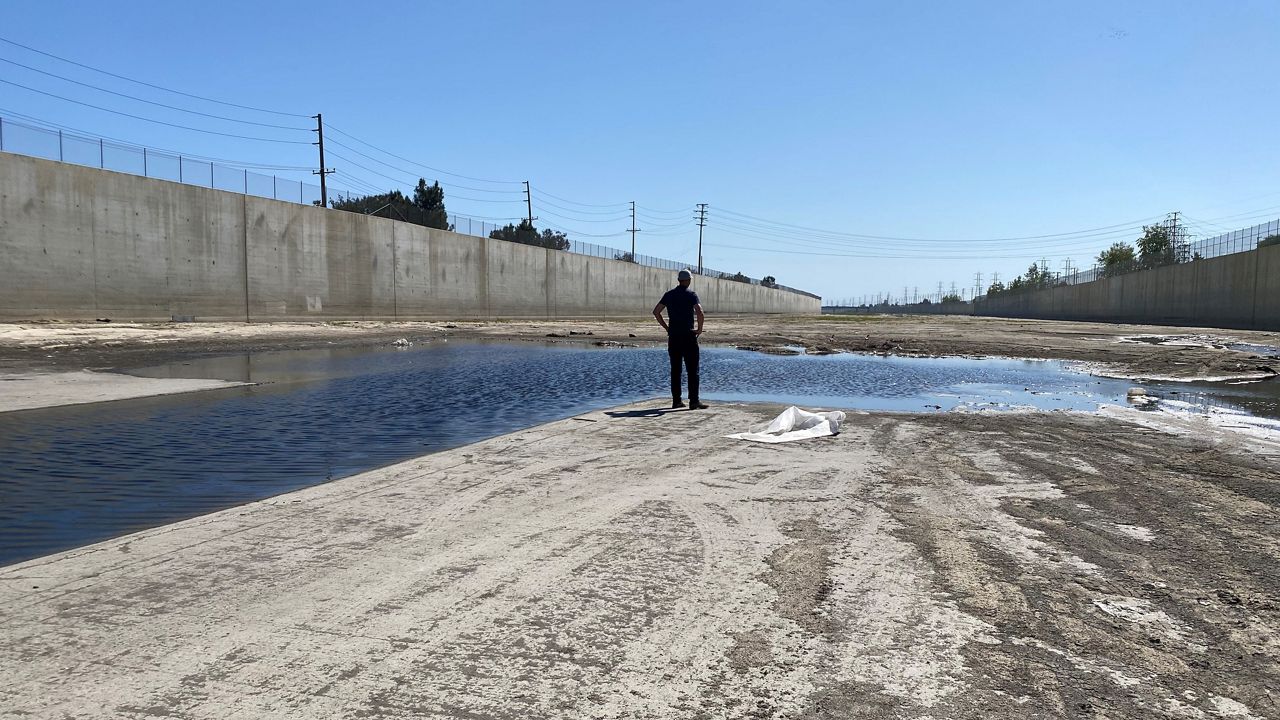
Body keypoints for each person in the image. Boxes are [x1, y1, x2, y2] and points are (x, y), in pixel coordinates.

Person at [653, 269, 708, 410]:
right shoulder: (691, 295)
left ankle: (676, 400)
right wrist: (700, 329)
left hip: (674, 336)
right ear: (688, 280)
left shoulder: (669, 295)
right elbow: (700, 312)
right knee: (692, 370)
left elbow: (656, 311)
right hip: (688, 336)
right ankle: (694, 401)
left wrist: (667, 328)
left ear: (679, 280)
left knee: (675, 370)